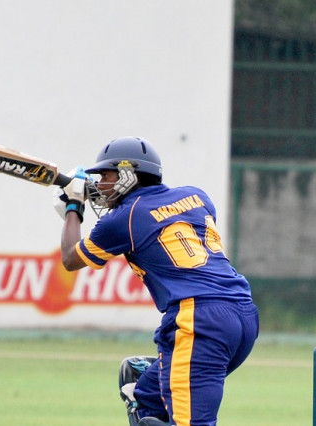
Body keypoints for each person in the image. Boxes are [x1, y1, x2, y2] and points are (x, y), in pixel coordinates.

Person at [54, 137, 259, 426]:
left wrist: (74, 206)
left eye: (106, 176)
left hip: (199, 321)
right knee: (146, 396)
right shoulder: (197, 196)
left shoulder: (124, 218)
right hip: (244, 315)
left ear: (128, 175)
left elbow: (70, 258)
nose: (100, 184)